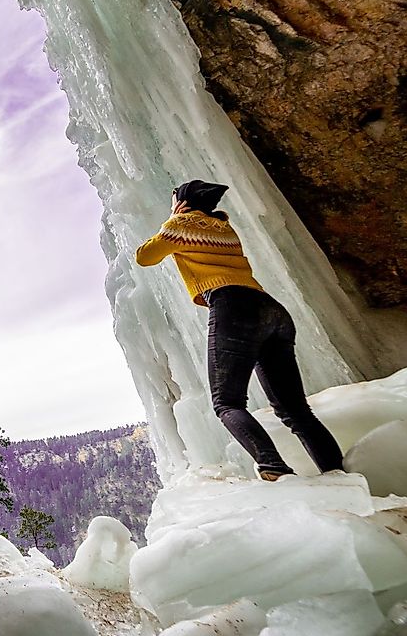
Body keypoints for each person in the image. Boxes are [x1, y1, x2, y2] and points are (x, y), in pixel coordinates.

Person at [134, 179, 343, 480]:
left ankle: (273, 466)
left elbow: (145, 256)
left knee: (227, 403)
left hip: (232, 307)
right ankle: (339, 474)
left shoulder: (180, 225)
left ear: (182, 202)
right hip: (271, 310)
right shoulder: (225, 228)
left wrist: (172, 219)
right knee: (296, 411)